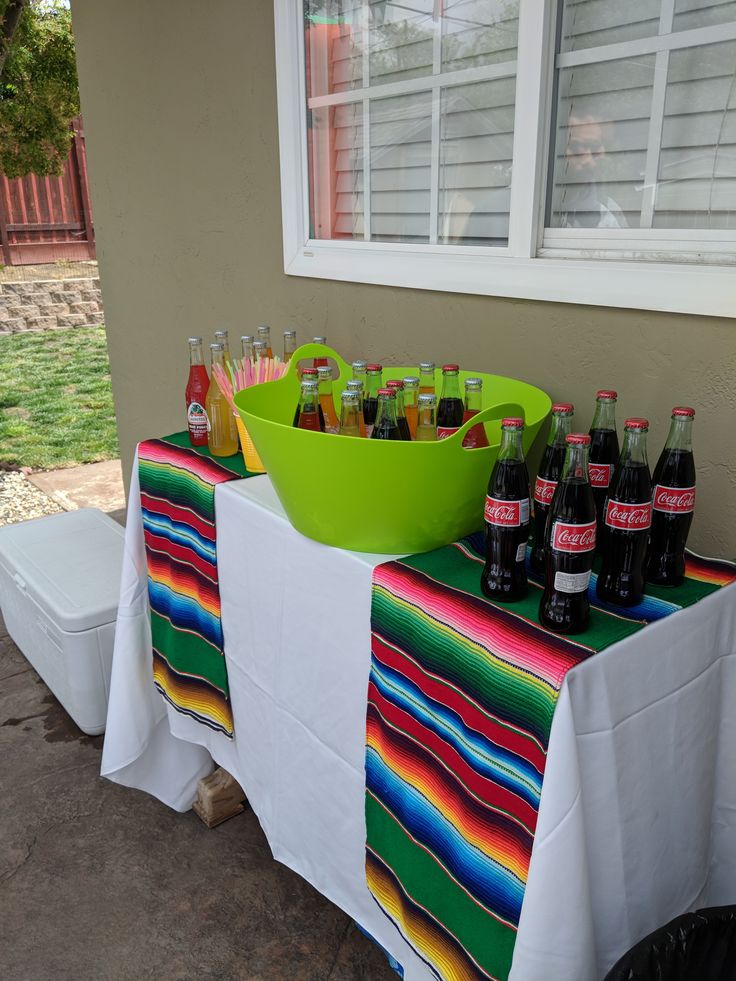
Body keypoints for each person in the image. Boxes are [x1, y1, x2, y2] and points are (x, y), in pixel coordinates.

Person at [555, 114, 629, 229]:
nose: (587, 159)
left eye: (594, 147)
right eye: (577, 147)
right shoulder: (538, 200)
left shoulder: (610, 214)